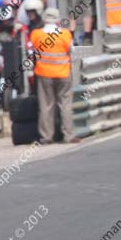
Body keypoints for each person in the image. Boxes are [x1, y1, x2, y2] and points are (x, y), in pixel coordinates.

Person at [30, 8, 80, 144]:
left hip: (44, 74)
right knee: (65, 104)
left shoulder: (36, 34)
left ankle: (47, 137)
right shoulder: (65, 34)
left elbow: (32, 52)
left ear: (44, 19)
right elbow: (72, 52)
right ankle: (69, 135)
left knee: (46, 105)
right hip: (63, 73)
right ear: (58, 20)